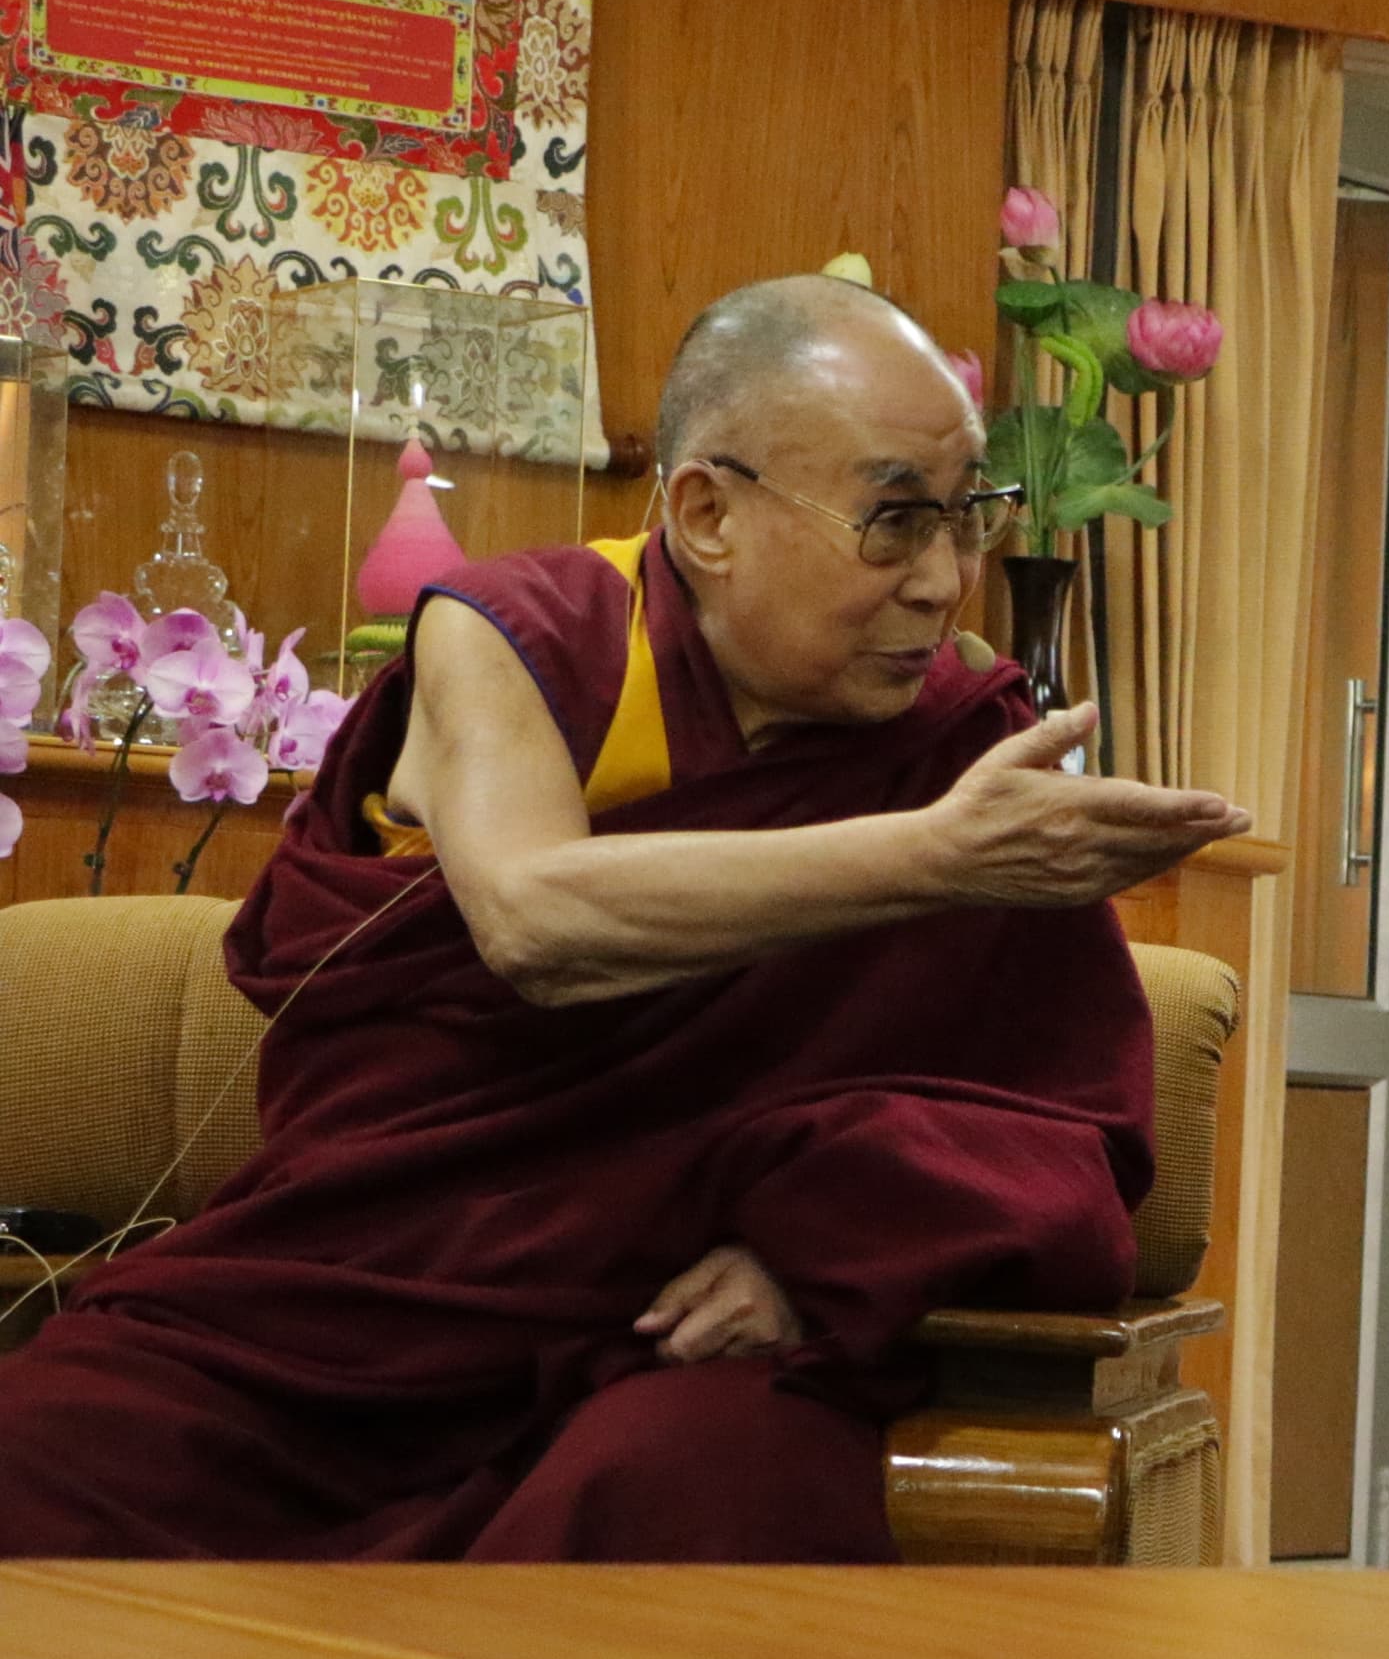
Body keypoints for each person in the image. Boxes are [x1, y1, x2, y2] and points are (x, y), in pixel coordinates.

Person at [0, 273, 1249, 1559]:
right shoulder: (519, 640)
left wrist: (826, 1253)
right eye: (893, 521)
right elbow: (534, 919)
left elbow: (1062, 1135)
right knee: (46, 1449)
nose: (942, 582)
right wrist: (935, 857)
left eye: (967, 517)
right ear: (706, 512)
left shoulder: (957, 739)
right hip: (358, 1317)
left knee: (666, 1496)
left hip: (679, 1336)